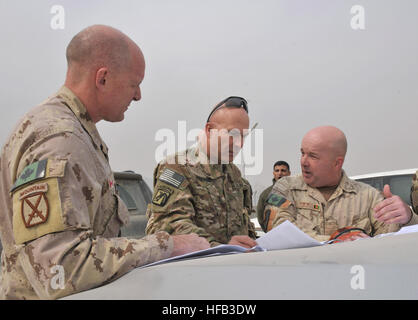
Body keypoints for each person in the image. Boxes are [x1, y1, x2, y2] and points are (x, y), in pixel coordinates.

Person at [0, 25, 209, 300]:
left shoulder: (68, 129)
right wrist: (168, 245)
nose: (138, 96)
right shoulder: (62, 139)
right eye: (134, 84)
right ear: (102, 78)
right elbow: (61, 270)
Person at [264, 126, 418, 241]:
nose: (303, 161)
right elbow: (278, 230)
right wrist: (335, 242)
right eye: (302, 153)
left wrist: (407, 217)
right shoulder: (286, 188)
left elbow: (389, 240)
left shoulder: (368, 197)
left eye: (313, 156)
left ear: (337, 163)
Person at [146, 96, 258, 248]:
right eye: (232, 134)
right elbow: (168, 226)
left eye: (244, 136)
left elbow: (243, 229)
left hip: (232, 266)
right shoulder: (177, 167)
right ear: (210, 130)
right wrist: (221, 247)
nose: (240, 144)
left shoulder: (234, 175)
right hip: (193, 268)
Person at [257, 161, 291, 232]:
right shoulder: (266, 194)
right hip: (273, 233)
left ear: (289, 173)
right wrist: (268, 232)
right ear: (273, 173)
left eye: (283, 171)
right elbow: (260, 217)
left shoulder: (296, 192)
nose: (280, 173)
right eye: (277, 170)